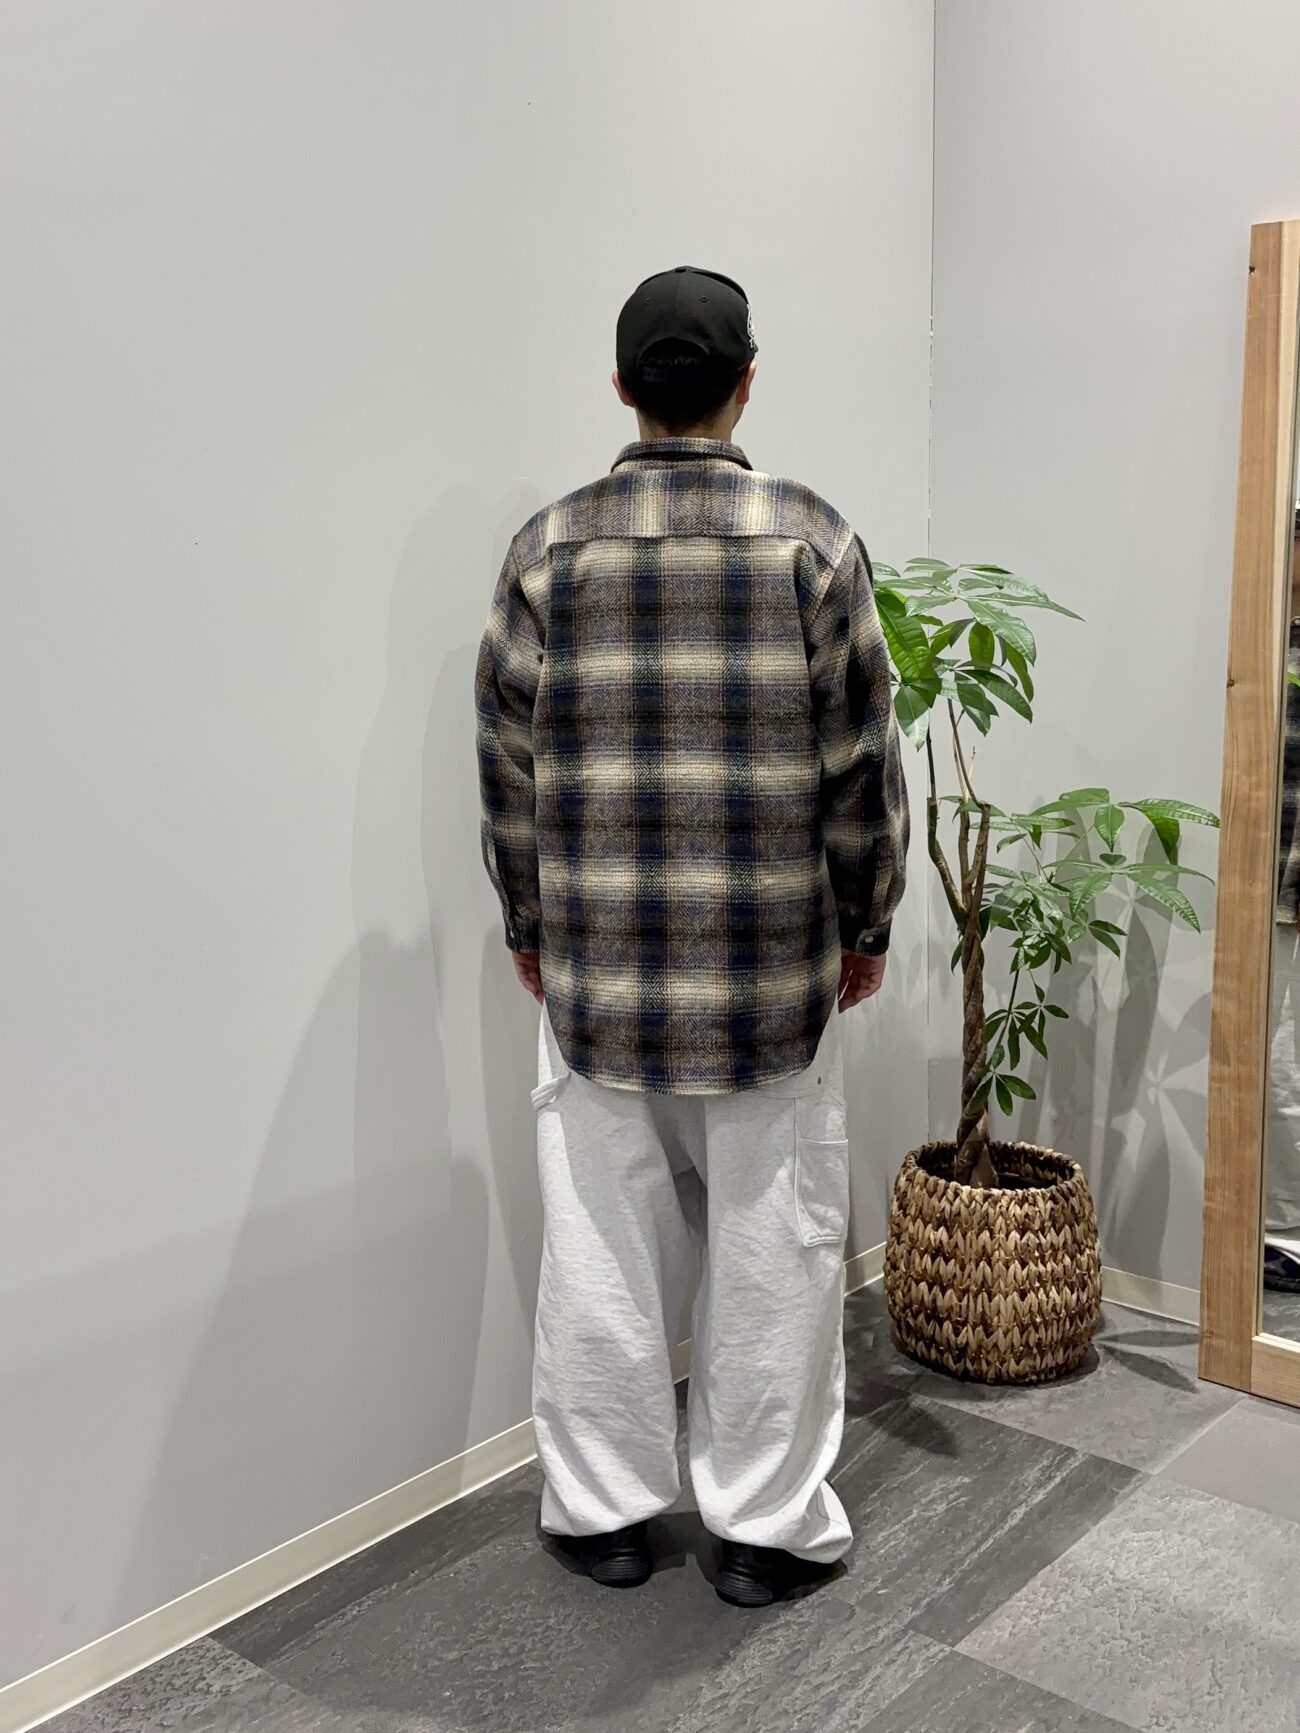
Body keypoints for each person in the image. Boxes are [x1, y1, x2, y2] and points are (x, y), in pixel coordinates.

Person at [474, 265, 909, 1607]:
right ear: (746, 383)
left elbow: (507, 770)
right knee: (777, 1254)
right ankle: (764, 1527)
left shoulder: (546, 550)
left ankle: (603, 1512)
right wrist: (868, 919)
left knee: (602, 1250)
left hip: (600, 973)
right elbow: (862, 764)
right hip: (773, 975)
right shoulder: (812, 543)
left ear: (621, 387)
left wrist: (532, 928)